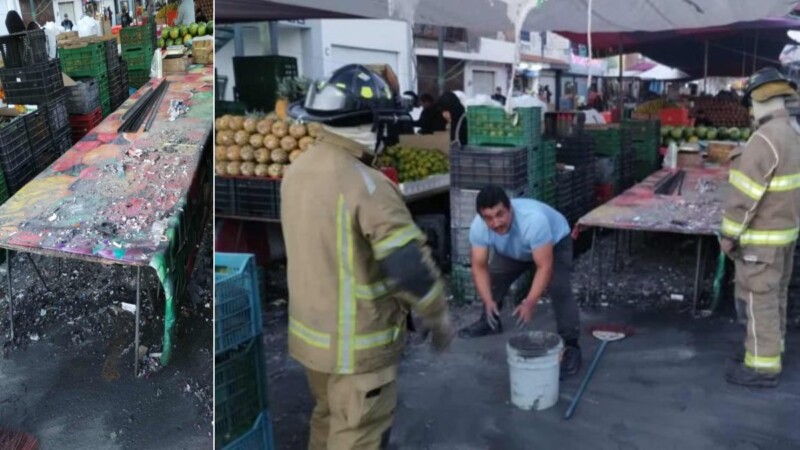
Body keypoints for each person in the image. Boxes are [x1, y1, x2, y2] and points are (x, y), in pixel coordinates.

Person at [283, 64, 454, 449]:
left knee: (326, 422)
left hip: (312, 343)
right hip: (356, 351)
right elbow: (408, 264)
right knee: (357, 433)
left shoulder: (298, 171)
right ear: (368, 123)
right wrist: (437, 315)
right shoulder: (367, 185)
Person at [720, 67, 800, 388]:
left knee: (759, 299)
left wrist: (728, 236)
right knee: (775, 296)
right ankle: (769, 348)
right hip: (784, 237)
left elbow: (744, 198)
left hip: (760, 242)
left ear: (758, 101)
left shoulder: (765, 139)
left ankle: (763, 367)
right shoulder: (793, 134)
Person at [458, 185, 582, 378]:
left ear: (510, 208)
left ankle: (572, 345)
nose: (496, 223)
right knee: (494, 278)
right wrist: (488, 299)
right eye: (488, 218)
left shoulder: (533, 221)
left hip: (555, 243)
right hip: (514, 250)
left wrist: (530, 302)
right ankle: (489, 321)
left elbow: (544, 268)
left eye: (500, 214)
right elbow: (479, 266)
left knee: (559, 288)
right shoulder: (478, 226)